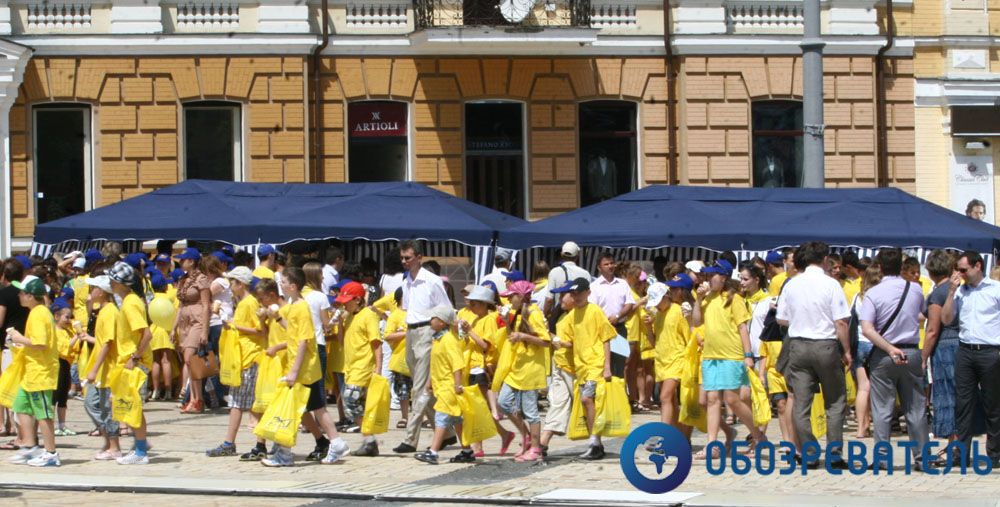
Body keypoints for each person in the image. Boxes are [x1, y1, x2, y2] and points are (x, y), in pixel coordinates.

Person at [262, 268, 349, 467]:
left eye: (283, 282)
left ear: (292, 286)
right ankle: (336, 442)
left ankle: (284, 453)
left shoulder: (301, 307)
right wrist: (277, 318)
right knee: (316, 407)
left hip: (304, 368)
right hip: (303, 366)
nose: (280, 284)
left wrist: (294, 371)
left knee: (293, 408)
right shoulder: (295, 306)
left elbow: (303, 340)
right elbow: (293, 332)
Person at [776, 242, 851, 468]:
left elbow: (781, 318)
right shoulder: (831, 284)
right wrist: (847, 351)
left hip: (798, 345)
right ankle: (834, 453)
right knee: (835, 401)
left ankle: (808, 453)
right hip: (825, 344)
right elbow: (840, 321)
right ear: (824, 259)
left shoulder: (791, 284)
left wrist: (802, 319)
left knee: (801, 403)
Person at [859, 248, 929, 469]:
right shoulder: (915, 289)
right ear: (901, 266)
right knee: (916, 408)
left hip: (884, 353)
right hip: (911, 350)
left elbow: (867, 328)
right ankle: (922, 458)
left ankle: (882, 459)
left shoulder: (873, 293)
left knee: (882, 409)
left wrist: (889, 348)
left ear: (879, 267)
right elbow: (920, 315)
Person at [693, 260, 767, 458]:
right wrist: (698, 299)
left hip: (732, 356)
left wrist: (748, 355)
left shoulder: (734, 299)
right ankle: (712, 444)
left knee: (733, 400)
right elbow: (697, 321)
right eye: (707, 275)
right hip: (710, 356)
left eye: (712, 276)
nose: (708, 279)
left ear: (723, 277)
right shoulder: (708, 298)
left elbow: (743, 328)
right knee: (712, 399)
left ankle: (757, 435)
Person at [393, 240, 453, 454]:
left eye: (407, 257)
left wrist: (440, 334)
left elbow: (447, 309)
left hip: (428, 330)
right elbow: (408, 308)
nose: (404, 262)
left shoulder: (433, 281)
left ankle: (410, 439)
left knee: (418, 388)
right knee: (425, 388)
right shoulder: (407, 280)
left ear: (419, 257)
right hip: (410, 331)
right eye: (402, 258)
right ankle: (447, 433)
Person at [941, 250, 1000, 467]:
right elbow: (946, 319)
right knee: (963, 404)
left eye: (964, 269)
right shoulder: (960, 292)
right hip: (965, 350)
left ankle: (994, 454)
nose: (960, 274)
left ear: (977, 266)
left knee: (992, 404)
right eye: (958, 269)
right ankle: (961, 453)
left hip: (990, 351)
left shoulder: (995, 289)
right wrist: (950, 292)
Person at [550, 277, 615, 460]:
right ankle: (596, 443)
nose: (576, 297)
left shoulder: (595, 311)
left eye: (579, 293)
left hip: (596, 364)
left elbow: (606, 338)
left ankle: (595, 441)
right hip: (581, 367)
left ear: (588, 292)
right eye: (573, 293)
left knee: (587, 400)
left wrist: (607, 366)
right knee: (588, 403)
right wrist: (557, 341)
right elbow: (569, 342)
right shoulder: (572, 315)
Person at [206, 266, 266, 459]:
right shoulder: (243, 303)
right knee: (241, 402)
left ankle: (233, 443)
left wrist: (233, 325)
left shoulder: (249, 303)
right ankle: (255, 443)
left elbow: (260, 331)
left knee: (239, 403)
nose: (230, 286)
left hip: (250, 357)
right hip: (243, 357)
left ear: (240, 284)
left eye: (232, 282)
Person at [5, 275, 60, 467]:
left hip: (41, 373)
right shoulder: (37, 312)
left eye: (22, 292)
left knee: (43, 414)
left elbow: (40, 343)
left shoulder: (39, 313)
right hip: (32, 372)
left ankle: (51, 452)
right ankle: (30, 447)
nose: (19, 295)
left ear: (30, 296)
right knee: (20, 406)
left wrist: (19, 338)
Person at [458, 284, 515, 457]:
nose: (471, 306)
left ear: (484, 304)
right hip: (472, 366)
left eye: (475, 303)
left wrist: (470, 332)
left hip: (481, 367)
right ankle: (485, 443)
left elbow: (486, 345)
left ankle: (487, 442)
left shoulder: (489, 319)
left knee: (478, 408)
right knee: (477, 408)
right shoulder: (476, 319)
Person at [496, 280, 550, 462]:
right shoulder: (518, 313)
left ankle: (535, 448)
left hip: (530, 369)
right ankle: (526, 436)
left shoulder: (534, 314)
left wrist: (523, 336)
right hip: (517, 367)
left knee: (530, 411)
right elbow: (513, 338)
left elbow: (546, 341)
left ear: (521, 296)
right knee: (503, 402)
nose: (509, 300)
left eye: (512, 296)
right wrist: (507, 323)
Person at [107, 261, 155, 465]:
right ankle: (140, 445)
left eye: (112, 280)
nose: (109, 283)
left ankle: (141, 450)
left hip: (134, 362)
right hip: (129, 360)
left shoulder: (129, 303)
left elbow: (146, 334)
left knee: (134, 407)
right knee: (129, 406)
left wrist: (135, 358)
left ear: (120, 283)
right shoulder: (129, 301)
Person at [414, 305, 474, 465]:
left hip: (449, 387)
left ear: (442, 322)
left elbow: (457, 364)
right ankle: (467, 451)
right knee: (456, 420)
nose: (430, 321)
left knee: (441, 418)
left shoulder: (449, 340)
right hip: (441, 386)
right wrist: (429, 382)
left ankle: (433, 452)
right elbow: (436, 364)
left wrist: (458, 384)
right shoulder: (438, 339)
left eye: (433, 318)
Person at [334, 281, 383, 457]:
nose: (344, 303)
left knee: (350, 401)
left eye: (347, 300)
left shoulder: (368, 315)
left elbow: (376, 343)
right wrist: (339, 321)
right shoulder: (348, 316)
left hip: (363, 367)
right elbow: (341, 340)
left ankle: (369, 439)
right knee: (358, 404)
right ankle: (369, 441)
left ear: (358, 299)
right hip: (351, 367)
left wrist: (378, 366)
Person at [923, 249, 963, 458]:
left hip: (945, 348)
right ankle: (956, 444)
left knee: (947, 396)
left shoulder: (939, 293)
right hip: (961, 345)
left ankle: (954, 446)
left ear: (930, 270)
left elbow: (932, 330)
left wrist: (922, 358)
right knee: (959, 395)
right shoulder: (957, 289)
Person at [80, 274, 122, 461]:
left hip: (109, 368)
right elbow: (100, 341)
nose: (91, 291)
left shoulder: (111, 311)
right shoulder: (101, 310)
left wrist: (94, 369)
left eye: (94, 288)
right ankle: (108, 441)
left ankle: (114, 446)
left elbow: (108, 343)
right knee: (92, 403)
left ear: (103, 292)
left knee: (107, 407)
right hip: (101, 367)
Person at [645, 275, 693, 429]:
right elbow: (655, 342)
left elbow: (688, 338)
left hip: (677, 360)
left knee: (664, 397)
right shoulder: (658, 314)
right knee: (670, 400)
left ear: (667, 296)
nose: (657, 306)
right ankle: (677, 434)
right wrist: (647, 328)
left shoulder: (678, 311)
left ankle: (664, 435)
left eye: (659, 301)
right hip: (661, 361)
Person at [172, 247, 211, 414]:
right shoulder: (184, 279)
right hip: (185, 322)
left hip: (197, 320)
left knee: (190, 358)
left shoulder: (201, 279)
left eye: (183, 259)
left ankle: (197, 399)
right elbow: (180, 306)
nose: (180, 262)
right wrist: (173, 328)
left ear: (192, 261)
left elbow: (206, 305)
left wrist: (205, 330)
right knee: (188, 361)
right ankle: (194, 398)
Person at [540, 291, 576, 457]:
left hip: (576, 368)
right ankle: (543, 441)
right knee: (558, 402)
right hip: (559, 364)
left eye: (564, 296)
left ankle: (596, 441)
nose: (561, 299)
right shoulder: (561, 316)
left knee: (586, 404)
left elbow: (571, 342)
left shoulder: (580, 316)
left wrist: (553, 338)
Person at [850, 265, 882, 439]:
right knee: (879, 388)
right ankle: (879, 426)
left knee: (863, 388)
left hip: (860, 344)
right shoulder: (880, 296)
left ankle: (861, 427)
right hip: (877, 343)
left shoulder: (857, 297)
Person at [383, 288, 411, 429]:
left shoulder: (418, 313)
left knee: (421, 390)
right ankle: (405, 417)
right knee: (403, 391)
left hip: (418, 358)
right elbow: (387, 336)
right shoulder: (395, 316)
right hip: (400, 360)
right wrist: (406, 333)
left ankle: (423, 416)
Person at [50, 298, 79, 436]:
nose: (69, 320)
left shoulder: (68, 331)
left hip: (66, 365)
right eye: (66, 317)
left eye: (70, 317)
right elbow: (64, 348)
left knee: (63, 397)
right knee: (54, 397)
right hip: (58, 365)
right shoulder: (55, 331)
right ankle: (50, 425)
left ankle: (62, 425)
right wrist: (77, 336)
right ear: (56, 316)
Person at [543, 241, 591, 320]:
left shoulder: (554, 272)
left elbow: (549, 299)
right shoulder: (585, 273)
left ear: (561, 254)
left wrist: (545, 315)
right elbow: (588, 296)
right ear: (577, 256)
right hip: (580, 315)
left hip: (559, 315)